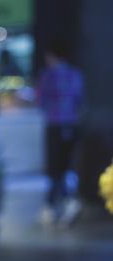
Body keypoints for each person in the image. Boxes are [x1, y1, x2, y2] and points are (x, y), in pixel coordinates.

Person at [37, 40, 84, 228]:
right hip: (71, 124)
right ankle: (67, 203)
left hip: (54, 124)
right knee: (67, 166)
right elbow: (81, 100)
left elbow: (41, 102)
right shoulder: (75, 75)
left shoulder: (47, 76)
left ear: (51, 55)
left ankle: (53, 205)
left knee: (54, 168)